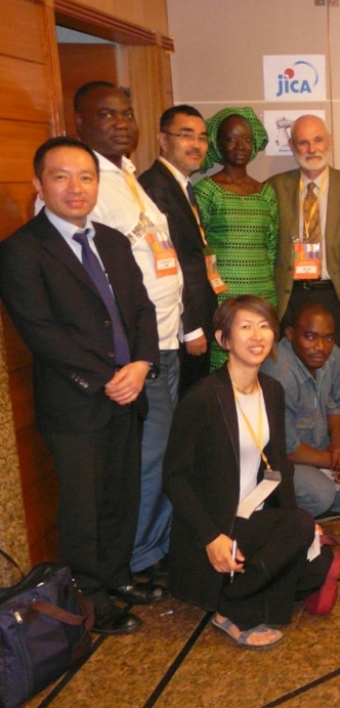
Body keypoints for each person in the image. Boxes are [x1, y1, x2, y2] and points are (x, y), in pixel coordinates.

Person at [0, 137, 160, 635]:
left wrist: (141, 365)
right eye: (61, 177)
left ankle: (117, 576)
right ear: (39, 184)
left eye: (85, 177)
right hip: (76, 401)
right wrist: (105, 378)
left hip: (128, 391)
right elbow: (40, 331)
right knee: (83, 507)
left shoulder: (111, 240)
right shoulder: (21, 251)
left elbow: (141, 310)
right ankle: (89, 598)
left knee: (121, 494)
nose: (75, 188)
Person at [163, 296, 340, 650]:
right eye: (245, 327)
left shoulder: (270, 391)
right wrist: (211, 537)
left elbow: (279, 464)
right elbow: (174, 477)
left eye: (264, 326)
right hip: (218, 528)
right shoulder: (201, 399)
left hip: (255, 518)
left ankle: (245, 586)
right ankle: (234, 607)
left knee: (320, 560)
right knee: (299, 534)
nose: (257, 335)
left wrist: (296, 522)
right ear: (223, 340)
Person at [74, 81, 185, 595]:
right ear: (80, 123)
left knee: (162, 455)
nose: (120, 123)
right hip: (139, 352)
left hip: (165, 340)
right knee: (146, 460)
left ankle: (154, 548)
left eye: (126, 113)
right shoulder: (87, 184)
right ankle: (137, 559)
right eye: (106, 115)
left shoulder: (127, 176)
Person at [269, 115, 340, 388]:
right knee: (285, 379)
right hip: (290, 297)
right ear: (291, 146)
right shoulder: (274, 187)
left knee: (335, 379)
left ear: (330, 142)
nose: (311, 148)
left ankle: (336, 430)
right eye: (303, 142)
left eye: (317, 140)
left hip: (334, 295)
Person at [260, 302, 340, 521]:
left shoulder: (333, 355)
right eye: (310, 337)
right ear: (291, 334)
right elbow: (287, 449)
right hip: (279, 460)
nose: (321, 347)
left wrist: (338, 445)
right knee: (320, 494)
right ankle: (286, 516)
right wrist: (336, 462)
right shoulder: (280, 374)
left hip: (313, 439)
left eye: (328, 338)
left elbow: (338, 404)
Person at [139, 105, 219, 397]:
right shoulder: (154, 187)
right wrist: (192, 327)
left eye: (201, 137)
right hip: (182, 326)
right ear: (163, 140)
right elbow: (169, 264)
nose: (196, 145)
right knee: (184, 407)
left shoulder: (181, 185)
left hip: (195, 316)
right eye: (186, 136)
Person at [194, 106, 278, 371]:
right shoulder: (206, 191)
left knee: (259, 367)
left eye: (246, 138)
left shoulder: (266, 193)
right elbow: (198, 248)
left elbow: (272, 246)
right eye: (231, 138)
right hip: (223, 296)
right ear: (218, 144)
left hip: (263, 294)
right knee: (224, 367)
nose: (239, 145)